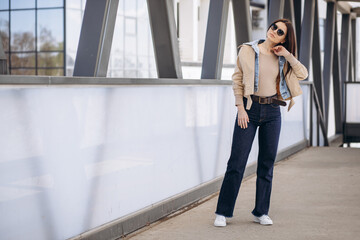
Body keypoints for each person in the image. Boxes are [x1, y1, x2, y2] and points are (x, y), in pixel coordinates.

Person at [213, 19, 308, 227]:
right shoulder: (248, 50)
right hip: (249, 109)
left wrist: (287, 55)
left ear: (285, 38)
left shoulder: (283, 57)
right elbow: (237, 79)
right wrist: (240, 108)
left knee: (267, 163)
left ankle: (261, 211)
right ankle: (223, 211)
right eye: (274, 27)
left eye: (280, 31)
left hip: (273, 112)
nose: (274, 31)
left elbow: (303, 74)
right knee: (237, 162)